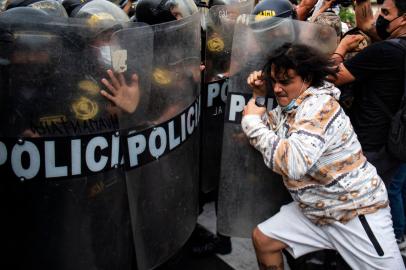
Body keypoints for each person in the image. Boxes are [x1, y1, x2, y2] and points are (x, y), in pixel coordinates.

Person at [242, 43, 404, 269]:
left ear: (307, 79)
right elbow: (269, 133)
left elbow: (292, 161)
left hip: (355, 213)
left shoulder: (319, 106)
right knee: (264, 240)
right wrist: (259, 96)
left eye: (285, 82)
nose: (277, 89)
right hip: (317, 208)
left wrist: (250, 121)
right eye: (274, 81)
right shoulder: (292, 105)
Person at [331, 0, 406, 186]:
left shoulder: (383, 51)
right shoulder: (395, 48)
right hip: (394, 140)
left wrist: (341, 49)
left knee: (363, 197)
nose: (380, 17)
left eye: (386, 13)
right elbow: (369, 29)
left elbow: (332, 76)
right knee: (389, 193)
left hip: (369, 143)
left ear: (403, 18)